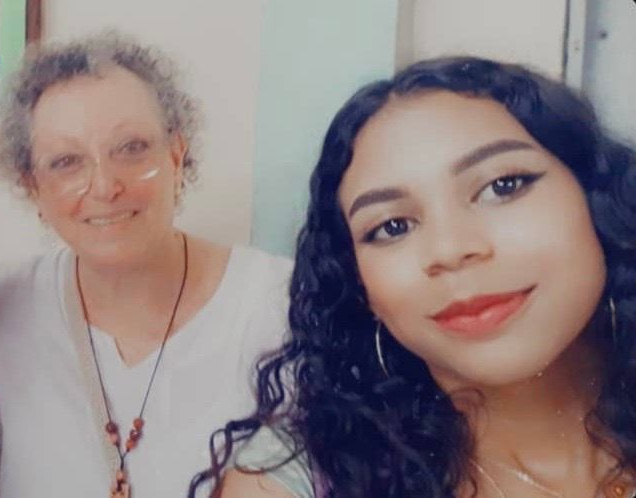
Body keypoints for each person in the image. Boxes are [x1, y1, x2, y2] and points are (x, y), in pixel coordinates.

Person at [206, 57, 636, 498]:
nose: (449, 250)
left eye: (502, 186)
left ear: (598, 201)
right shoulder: (286, 482)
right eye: (392, 227)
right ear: (358, 285)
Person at [0, 31, 294, 497]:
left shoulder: (280, 307)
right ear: (32, 187)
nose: (105, 186)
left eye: (131, 149)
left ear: (176, 155)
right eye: (66, 161)